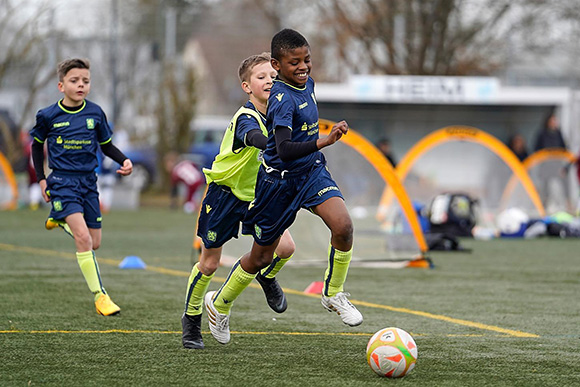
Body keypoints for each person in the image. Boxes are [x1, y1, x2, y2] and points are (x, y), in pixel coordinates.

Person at [204, 29, 363, 346]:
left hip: (311, 173)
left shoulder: (308, 84)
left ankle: (332, 294)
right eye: (294, 62)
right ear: (277, 65)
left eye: (307, 59)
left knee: (343, 226)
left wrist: (318, 146)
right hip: (277, 183)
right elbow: (285, 149)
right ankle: (219, 304)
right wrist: (325, 140)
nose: (303, 67)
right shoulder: (280, 100)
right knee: (261, 258)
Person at [181, 52, 296, 349]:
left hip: (260, 196)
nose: (269, 81)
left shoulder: (283, 114)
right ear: (247, 87)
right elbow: (253, 137)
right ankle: (191, 320)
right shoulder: (246, 117)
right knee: (209, 263)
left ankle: (266, 277)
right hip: (225, 195)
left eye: (273, 76)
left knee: (286, 248)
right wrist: (275, 145)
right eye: (261, 77)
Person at [30, 58, 133, 316]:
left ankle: (60, 218)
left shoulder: (95, 113)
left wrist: (124, 160)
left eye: (85, 81)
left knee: (94, 242)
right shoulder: (48, 115)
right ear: (61, 85)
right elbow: (35, 146)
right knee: (83, 239)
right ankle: (101, 297)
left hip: (89, 182)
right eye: (74, 80)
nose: (81, 85)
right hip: (62, 182)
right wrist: (42, 179)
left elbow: (106, 145)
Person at [534, 112, 570, 210]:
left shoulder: (559, 134)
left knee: (564, 183)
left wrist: (565, 167)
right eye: (552, 120)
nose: (554, 123)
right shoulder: (542, 134)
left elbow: (564, 150)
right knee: (545, 186)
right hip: (546, 165)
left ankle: (568, 203)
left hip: (557, 164)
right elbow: (537, 149)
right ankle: (543, 204)